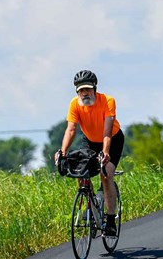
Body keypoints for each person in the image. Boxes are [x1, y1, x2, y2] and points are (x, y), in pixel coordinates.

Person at [55, 69, 124, 236]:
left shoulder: (108, 101)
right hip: (90, 140)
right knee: (80, 171)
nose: (85, 93)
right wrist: (62, 152)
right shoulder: (74, 104)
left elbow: (107, 132)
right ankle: (90, 205)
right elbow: (71, 130)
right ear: (77, 92)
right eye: (81, 90)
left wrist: (105, 153)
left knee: (106, 174)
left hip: (112, 139)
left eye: (87, 89)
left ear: (94, 88)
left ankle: (110, 220)